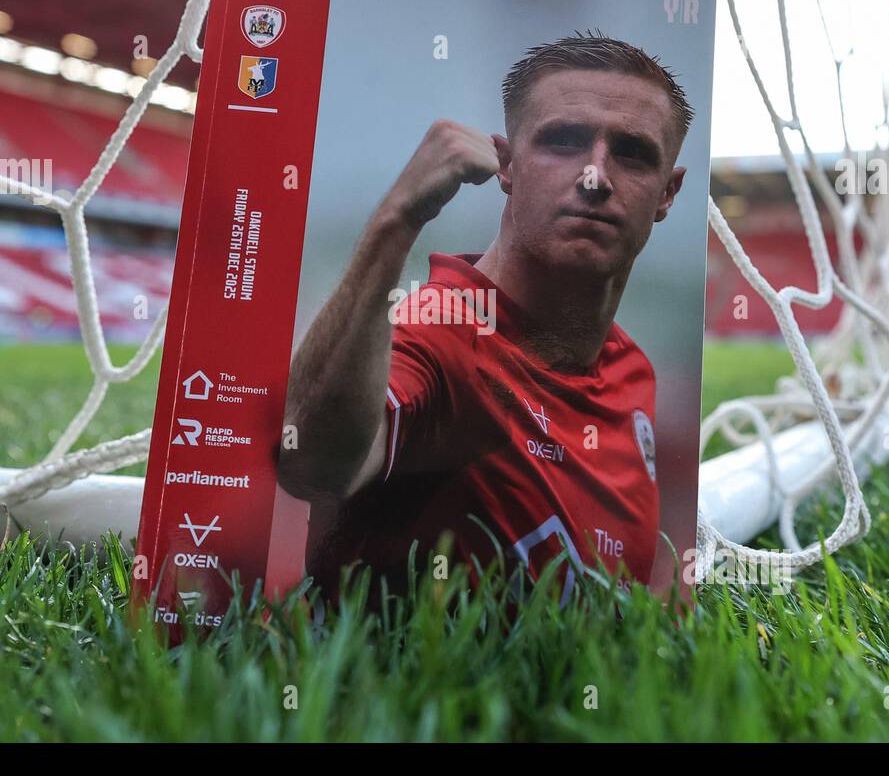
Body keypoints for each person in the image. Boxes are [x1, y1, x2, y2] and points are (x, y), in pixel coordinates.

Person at [277, 32, 693, 599]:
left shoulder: (631, 369)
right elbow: (314, 467)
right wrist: (394, 223)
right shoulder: (442, 331)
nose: (596, 176)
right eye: (563, 142)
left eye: (632, 153)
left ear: (667, 193)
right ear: (506, 165)